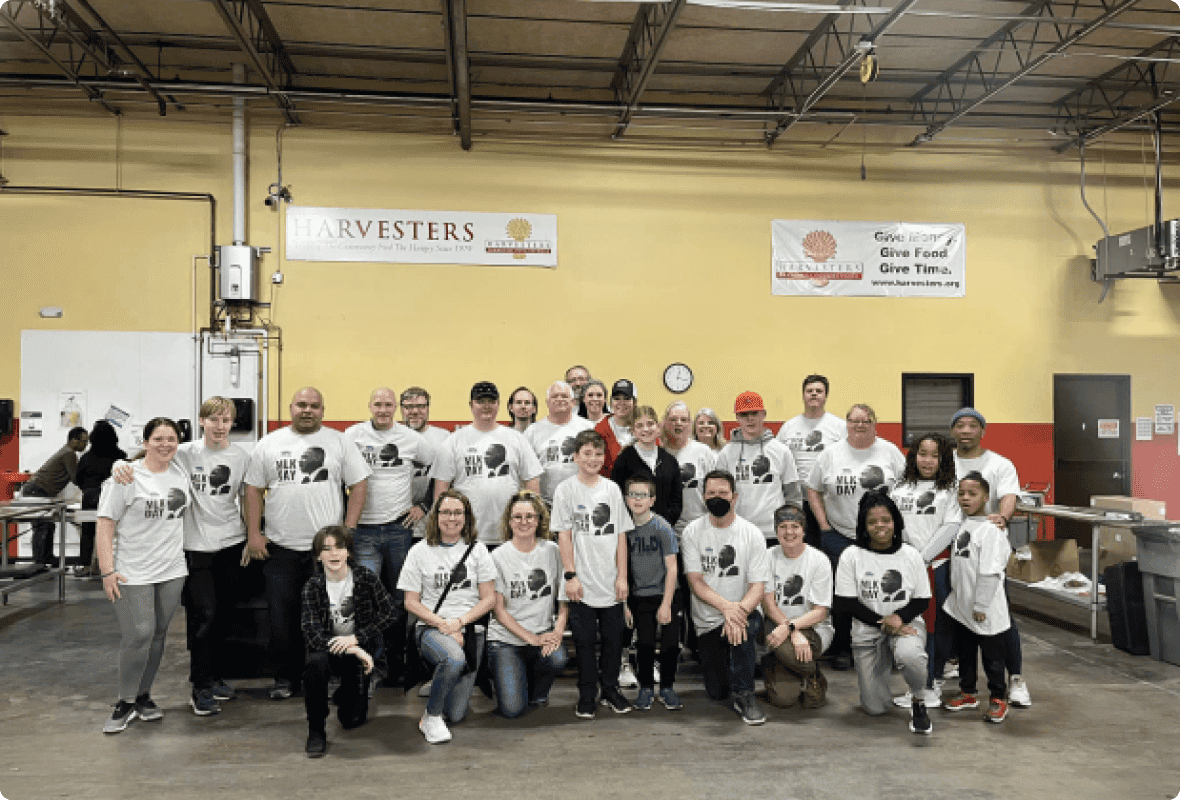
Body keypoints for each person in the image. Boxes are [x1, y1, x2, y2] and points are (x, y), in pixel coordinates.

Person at [244, 387, 371, 701]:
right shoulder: (269, 443)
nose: (307, 410)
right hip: (281, 548)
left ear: (322, 410)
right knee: (282, 619)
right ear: (291, 408)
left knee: (331, 617)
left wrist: (348, 530)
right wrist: (254, 534)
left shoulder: (339, 442)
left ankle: (327, 676)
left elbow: (359, 485)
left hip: (326, 551)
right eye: (302, 405)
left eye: (314, 406)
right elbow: (252, 490)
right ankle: (285, 679)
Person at [96, 417, 189, 734]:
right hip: (132, 571)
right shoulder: (126, 477)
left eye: (171, 439)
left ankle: (143, 696)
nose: (165, 445)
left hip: (172, 569)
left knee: (159, 634)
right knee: (139, 634)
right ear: (145, 442)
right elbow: (105, 523)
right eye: (158, 439)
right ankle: (124, 701)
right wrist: (107, 570)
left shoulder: (180, 472)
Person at [344, 387, 435, 686]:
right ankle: (373, 663)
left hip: (399, 529)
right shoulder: (353, 435)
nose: (383, 410)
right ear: (369, 406)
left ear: (396, 408)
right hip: (363, 531)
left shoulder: (411, 438)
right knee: (366, 598)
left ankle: (397, 665)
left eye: (388, 405)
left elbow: (439, 470)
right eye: (378, 404)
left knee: (400, 599)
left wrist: (424, 505)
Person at [806, 403, 906, 670]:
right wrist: (823, 524)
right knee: (843, 595)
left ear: (875, 423)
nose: (860, 425)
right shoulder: (830, 454)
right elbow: (812, 489)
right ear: (846, 424)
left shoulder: (890, 452)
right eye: (854, 420)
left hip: (880, 537)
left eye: (866, 420)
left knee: (880, 590)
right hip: (840, 535)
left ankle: (886, 646)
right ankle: (842, 647)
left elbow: (908, 487)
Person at [399, 489, 496, 744]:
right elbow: (410, 602)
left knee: (455, 714)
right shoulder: (419, 551)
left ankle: (441, 679)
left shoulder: (478, 550)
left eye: (457, 513)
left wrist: (459, 623)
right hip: (431, 627)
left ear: (466, 517)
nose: (451, 518)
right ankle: (430, 717)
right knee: (453, 658)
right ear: (436, 515)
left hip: (469, 629)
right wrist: (443, 624)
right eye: (445, 512)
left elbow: (489, 599)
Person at [948, 407, 1030, 708]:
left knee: (998, 617)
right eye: (960, 425)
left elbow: (1009, 496)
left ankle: (1014, 679)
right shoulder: (945, 461)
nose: (966, 430)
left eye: (973, 425)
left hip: (984, 549)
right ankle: (963, 680)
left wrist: (1002, 519)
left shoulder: (999, 464)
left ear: (982, 431)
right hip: (954, 547)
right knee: (959, 618)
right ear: (953, 431)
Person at [833, 492, 933, 735]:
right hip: (868, 630)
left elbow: (922, 599)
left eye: (886, 520)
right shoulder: (851, 555)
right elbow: (846, 602)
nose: (880, 526)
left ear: (896, 521)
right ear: (864, 525)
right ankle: (880, 679)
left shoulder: (911, 554)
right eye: (872, 521)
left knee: (910, 655)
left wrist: (899, 619)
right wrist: (885, 624)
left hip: (906, 624)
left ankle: (919, 699)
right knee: (875, 708)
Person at [553, 429, 633, 718]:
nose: (593, 459)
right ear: (575, 457)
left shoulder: (612, 489)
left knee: (613, 641)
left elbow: (621, 535)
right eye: (587, 453)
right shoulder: (565, 490)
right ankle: (587, 693)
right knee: (584, 643)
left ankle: (610, 689)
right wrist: (570, 576)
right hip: (581, 583)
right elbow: (564, 536)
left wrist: (622, 577)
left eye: (598, 454)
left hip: (610, 581)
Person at [681, 469, 770, 726]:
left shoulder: (752, 533)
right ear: (703, 497)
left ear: (735, 497)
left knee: (743, 632)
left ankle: (745, 694)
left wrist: (737, 612)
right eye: (711, 493)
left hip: (745, 611)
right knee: (718, 692)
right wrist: (727, 608)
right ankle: (730, 673)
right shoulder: (692, 532)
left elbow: (758, 586)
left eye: (722, 493)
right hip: (708, 618)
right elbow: (696, 582)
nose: (716, 497)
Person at [301, 525, 397, 757]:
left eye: (339, 547)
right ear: (318, 556)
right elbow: (312, 634)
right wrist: (355, 650)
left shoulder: (365, 577)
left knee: (352, 720)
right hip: (328, 651)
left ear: (349, 552)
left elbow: (391, 612)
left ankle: (345, 694)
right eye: (327, 549)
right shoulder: (313, 586)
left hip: (356, 650)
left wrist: (357, 640)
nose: (334, 553)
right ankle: (316, 729)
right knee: (314, 663)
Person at [890, 432, 961, 710]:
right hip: (906, 568)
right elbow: (894, 525)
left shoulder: (950, 489)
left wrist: (923, 557)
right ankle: (917, 684)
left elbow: (951, 527)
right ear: (913, 456)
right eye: (922, 454)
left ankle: (932, 684)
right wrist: (907, 557)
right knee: (912, 625)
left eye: (935, 455)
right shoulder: (900, 488)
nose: (928, 460)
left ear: (944, 459)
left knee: (938, 626)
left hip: (936, 567)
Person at [487, 490, 569, 718]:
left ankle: (537, 694)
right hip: (505, 641)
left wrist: (557, 632)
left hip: (541, 634)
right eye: (518, 517)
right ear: (509, 521)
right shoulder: (497, 556)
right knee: (512, 710)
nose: (524, 522)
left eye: (529, 516)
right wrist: (531, 638)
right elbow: (499, 611)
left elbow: (564, 600)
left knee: (557, 657)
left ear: (539, 519)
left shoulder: (552, 551)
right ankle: (509, 678)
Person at [432, 381, 542, 546]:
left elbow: (531, 481)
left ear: (498, 404)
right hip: (467, 533)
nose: (486, 406)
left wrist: (534, 521)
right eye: (480, 401)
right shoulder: (454, 441)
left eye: (491, 401)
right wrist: (442, 528)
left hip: (511, 532)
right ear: (471, 405)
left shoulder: (516, 439)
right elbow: (441, 488)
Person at [941, 472, 1014, 724]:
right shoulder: (964, 523)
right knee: (966, 653)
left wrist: (981, 604)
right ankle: (968, 692)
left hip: (985, 608)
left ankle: (998, 697)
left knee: (993, 657)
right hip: (963, 606)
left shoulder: (991, 530)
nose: (965, 498)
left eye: (972, 494)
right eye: (961, 493)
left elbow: (991, 571)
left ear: (985, 497)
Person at [761, 504, 833, 709]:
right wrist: (788, 628)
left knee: (811, 702)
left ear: (804, 530)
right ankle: (805, 671)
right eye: (783, 526)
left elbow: (820, 611)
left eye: (795, 526)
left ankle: (792, 667)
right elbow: (769, 605)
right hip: (776, 622)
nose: (789, 532)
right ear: (776, 530)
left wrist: (792, 628)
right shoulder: (767, 557)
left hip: (813, 627)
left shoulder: (819, 560)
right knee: (783, 700)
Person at [622, 475, 682, 711]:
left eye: (643, 495)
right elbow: (621, 570)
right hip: (640, 596)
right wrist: (625, 605)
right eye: (633, 495)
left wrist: (666, 604)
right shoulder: (624, 530)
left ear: (652, 500)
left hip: (666, 594)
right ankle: (645, 687)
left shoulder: (662, 527)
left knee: (670, 644)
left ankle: (667, 687)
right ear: (626, 498)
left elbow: (672, 568)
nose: (638, 499)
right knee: (644, 643)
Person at [713, 391, 800, 541]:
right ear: (737, 418)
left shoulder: (781, 451)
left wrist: (791, 528)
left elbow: (793, 496)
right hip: (738, 531)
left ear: (763, 414)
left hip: (774, 532)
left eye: (754, 413)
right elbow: (719, 496)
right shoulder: (726, 454)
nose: (750, 418)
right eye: (744, 414)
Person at [775, 374, 846, 546]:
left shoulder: (839, 427)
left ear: (826, 396)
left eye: (819, 391)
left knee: (829, 546)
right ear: (803, 395)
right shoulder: (788, 427)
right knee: (801, 548)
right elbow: (777, 462)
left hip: (829, 502)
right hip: (798, 502)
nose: (814, 394)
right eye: (809, 391)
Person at [21, 425, 89, 566]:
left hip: (38, 491)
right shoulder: (69, 454)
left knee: (49, 526)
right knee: (42, 526)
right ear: (73, 440)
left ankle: (47, 559)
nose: (86, 445)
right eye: (84, 441)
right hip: (36, 491)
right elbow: (76, 478)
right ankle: (39, 563)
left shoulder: (67, 452)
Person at [610, 405, 683, 528]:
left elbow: (676, 500)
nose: (646, 429)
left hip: (664, 529)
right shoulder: (624, 459)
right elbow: (617, 497)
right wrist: (635, 525)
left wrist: (663, 525)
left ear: (658, 427)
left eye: (650, 424)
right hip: (632, 530)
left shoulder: (670, 461)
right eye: (640, 425)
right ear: (633, 431)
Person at [524, 381, 593, 505]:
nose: (559, 399)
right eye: (554, 396)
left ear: (573, 402)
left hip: (582, 500)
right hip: (546, 503)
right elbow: (527, 471)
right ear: (547, 402)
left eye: (564, 396)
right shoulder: (532, 431)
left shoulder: (588, 428)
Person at [74, 421, 126, 577]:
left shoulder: (86, 458)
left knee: (88, 533)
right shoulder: (121, 456)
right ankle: (110, 567)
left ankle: (86, 566)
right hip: (112, 498)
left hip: (90, 498)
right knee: (113, 533)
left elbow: (77, 479)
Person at [399, 386, 450, 540]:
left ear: (428, 408)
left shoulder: (444, 438)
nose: (415, 411)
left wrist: (425, 506)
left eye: (420, 406)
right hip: (399, 523)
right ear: (401, 409)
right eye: (409, 407)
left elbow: (449, 479)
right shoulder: (394, 437)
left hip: (433, 522)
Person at [594, 379, 637, 477]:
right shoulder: (600, 430)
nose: (621, 403)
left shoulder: (645, 427)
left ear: (634, 402)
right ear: (610, 402)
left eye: (627, 398)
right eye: (617, 398)